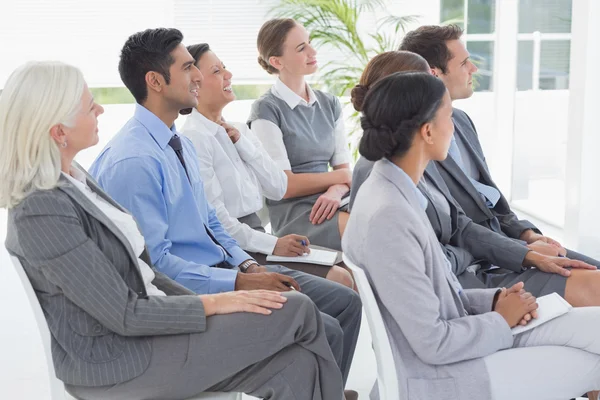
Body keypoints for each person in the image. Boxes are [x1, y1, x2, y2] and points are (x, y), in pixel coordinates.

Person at [0, 61, 345, 400]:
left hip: (154, 328)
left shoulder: (74, 175)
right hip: (120, 358)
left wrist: (214, 297)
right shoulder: (41, 208)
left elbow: (144, 268)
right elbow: (124, 313)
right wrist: (218, 302)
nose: (102, 109)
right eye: (90, 106)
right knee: (297, 309)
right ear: (59, 132)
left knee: (296, 365)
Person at [88, 28, 361, 392]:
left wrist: (247, 264)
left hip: (226, 265)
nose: (198, 76)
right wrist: (241, 281)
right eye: (188, 68)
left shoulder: (176, 142)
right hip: (188, 295)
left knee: (344, 303)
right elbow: (154, 267)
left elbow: (211, 220)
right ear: (155, 81)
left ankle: (326, 392)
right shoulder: (135, 161)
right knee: (320, 325)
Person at [343, 70, 600, 400]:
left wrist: (495, 301)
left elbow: (436, 298)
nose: (455, 126)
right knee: (594, 363)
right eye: (449, 116)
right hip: (443, 374)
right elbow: (433, 343)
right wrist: (500, 320)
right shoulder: (390, 216)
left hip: (466, 335)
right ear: (428, 131)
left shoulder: (395, 188)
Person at [349, 50, 600, 306]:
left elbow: (461, 226)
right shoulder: (382, 178)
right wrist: (486, 255)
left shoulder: (416, 161)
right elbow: (428, 264)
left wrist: (526, 253)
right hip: (464, 291)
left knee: (592, 274)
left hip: (484, 265)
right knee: (594, 287)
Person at [398, 24, 600, 267]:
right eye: (464, 64)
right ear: (434, 74)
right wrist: (523, 251)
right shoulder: (416, 144)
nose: (474, 69)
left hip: (511, 244)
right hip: (483, 263)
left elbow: (491, 204)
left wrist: (528, 234)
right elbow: (456, 230)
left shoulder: (461, 121)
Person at [179, 43, 353, 288]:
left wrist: (243, 144)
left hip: (259, 236)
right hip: (235, 248)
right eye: (217, 72)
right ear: (194, 83)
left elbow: (278, 186)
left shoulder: (238, 129)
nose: (229, 75)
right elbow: (216, 220)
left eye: (225, 68)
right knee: (340, 280)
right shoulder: (195, 138)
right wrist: (273, 244)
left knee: (344, 271)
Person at [248, 18, 352, 251]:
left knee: (392, 217)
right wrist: (340, 177)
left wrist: (337, 188)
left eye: (310, 43)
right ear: (277, 61)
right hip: (296, 212)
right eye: (301, 48)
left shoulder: (330, 103)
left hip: (333, 199)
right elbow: (284, 186)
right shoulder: (266, 109)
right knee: (366, 228)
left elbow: (344, 172)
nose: (313, 51)